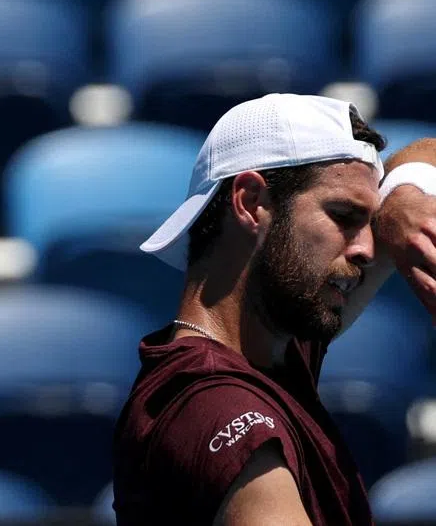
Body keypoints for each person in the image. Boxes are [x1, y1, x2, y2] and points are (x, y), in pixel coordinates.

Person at [112, 92, 436, 525]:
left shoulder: (271, 349)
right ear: (250, 202)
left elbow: (425, 152)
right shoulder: (216, 405)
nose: (366, 249)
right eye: (343, 216)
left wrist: (401, 199)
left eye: (370, 223)